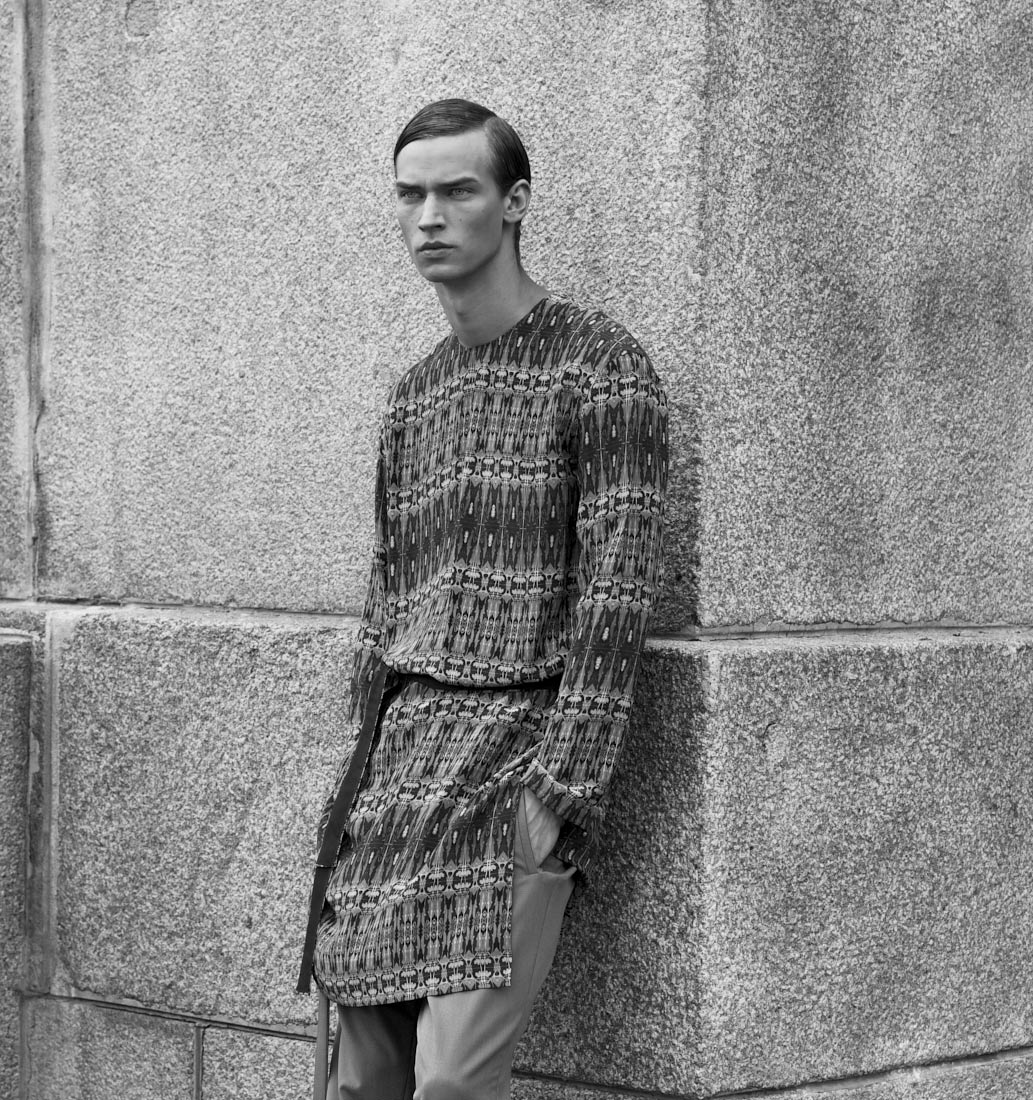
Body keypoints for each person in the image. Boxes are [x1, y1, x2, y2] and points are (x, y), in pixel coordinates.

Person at [297, 97, 669, 1099]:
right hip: (396, 778)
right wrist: (359, 775)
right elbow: (387, 596)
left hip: (515, 764)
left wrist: (561, 790)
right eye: (410, 194)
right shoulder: (414, 394)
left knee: (454, 1083)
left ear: (515, 201)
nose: (430, 216)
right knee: (362, 1080)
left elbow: (618, 591)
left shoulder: (599, 365)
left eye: (457, 190)